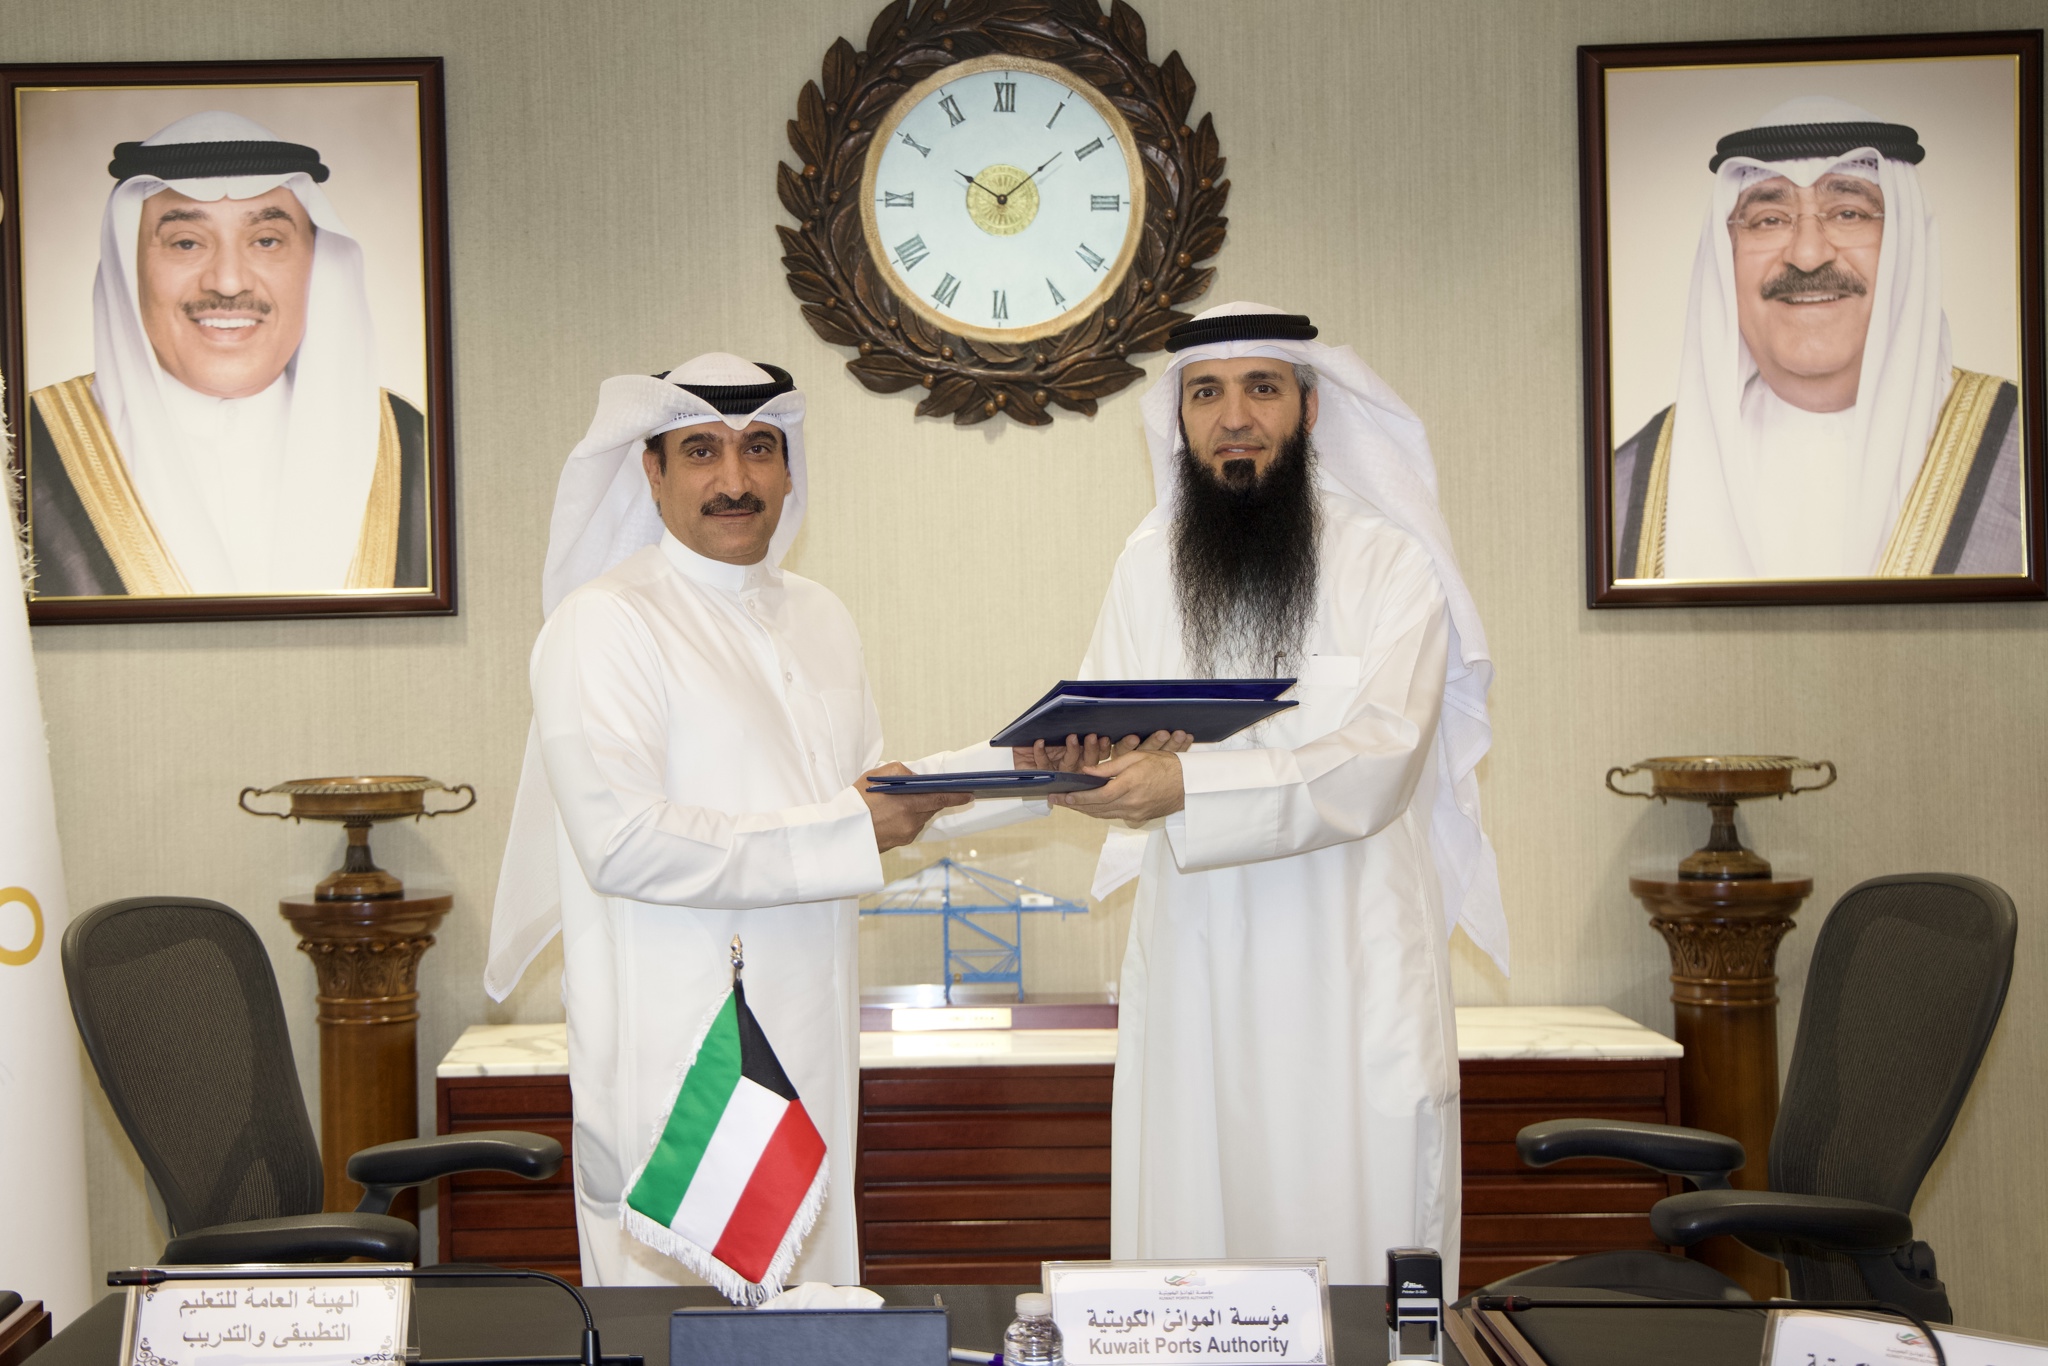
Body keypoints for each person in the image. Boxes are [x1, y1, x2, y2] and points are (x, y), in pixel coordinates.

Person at [484, 354, 1029, 1288]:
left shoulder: (820, 617)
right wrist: (855, 828)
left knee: (816, 1322)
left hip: (812, 1047)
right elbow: (625, 844)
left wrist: (1035, 771)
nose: (735, 480)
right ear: (652, 471)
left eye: (760, 449)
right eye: (702, 450)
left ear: (788, 468)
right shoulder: (603, 624)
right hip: (684, 1069)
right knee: (683, 1334)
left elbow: (865, 801)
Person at [1024, 302, 1507, 1287]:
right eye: (1205, 392)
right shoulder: (1146, 566)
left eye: (1261, 388)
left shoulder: (1387, 562)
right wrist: (986, 782)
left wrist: (1186, 784)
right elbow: (1089, 729)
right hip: (1196, 975)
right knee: (1192, 1250)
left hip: (1351, 973)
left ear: (1310, 408)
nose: (1233, 416)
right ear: (1179, 417)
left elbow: (1378, 759)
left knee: (1357, 1253)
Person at [1614, 96, 2022, 581]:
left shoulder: (2024, 452)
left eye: (1848, 213)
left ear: (1905, 243)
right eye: (1769, 219)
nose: (1807, 254)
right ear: (1727, 254)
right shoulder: (1629, 485)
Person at [27, 110, 427, 597]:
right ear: (129, 267)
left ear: (317, 262)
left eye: (266, 241)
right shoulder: (23, 452)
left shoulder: (411, 445)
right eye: (186, 243)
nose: (229, 281)